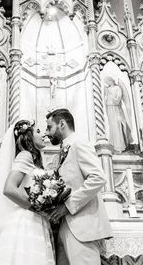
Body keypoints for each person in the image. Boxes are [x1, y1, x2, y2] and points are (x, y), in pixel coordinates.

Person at [0, 120, 54, 265]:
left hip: (34, 219)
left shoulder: (33, 158)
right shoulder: (25, 155)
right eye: (37, 131)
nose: (43, 134)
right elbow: (9, 188)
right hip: (26, 221)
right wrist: (35, 206)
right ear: (28, 136)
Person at [46, 109, 112, 265]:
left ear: (62, 123)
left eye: (49, 127)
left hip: (83, 227)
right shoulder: (63, 150)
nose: (47, 133)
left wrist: (67, 206)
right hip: (65, 226)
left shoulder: (79, 143)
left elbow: (98, 177)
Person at [103, 76, 133, 152]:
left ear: (111, 81)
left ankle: (120, 146)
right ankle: (113, 144)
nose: (108, 83)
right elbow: (106, 99)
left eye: (108, 81)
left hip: (116, 109)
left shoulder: (117, 88)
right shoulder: (108, 89)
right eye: (106, 82)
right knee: (112, 126)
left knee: (118, 125)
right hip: (110, 108)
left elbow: (118, 99)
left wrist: (111, 95)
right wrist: (106, 95)